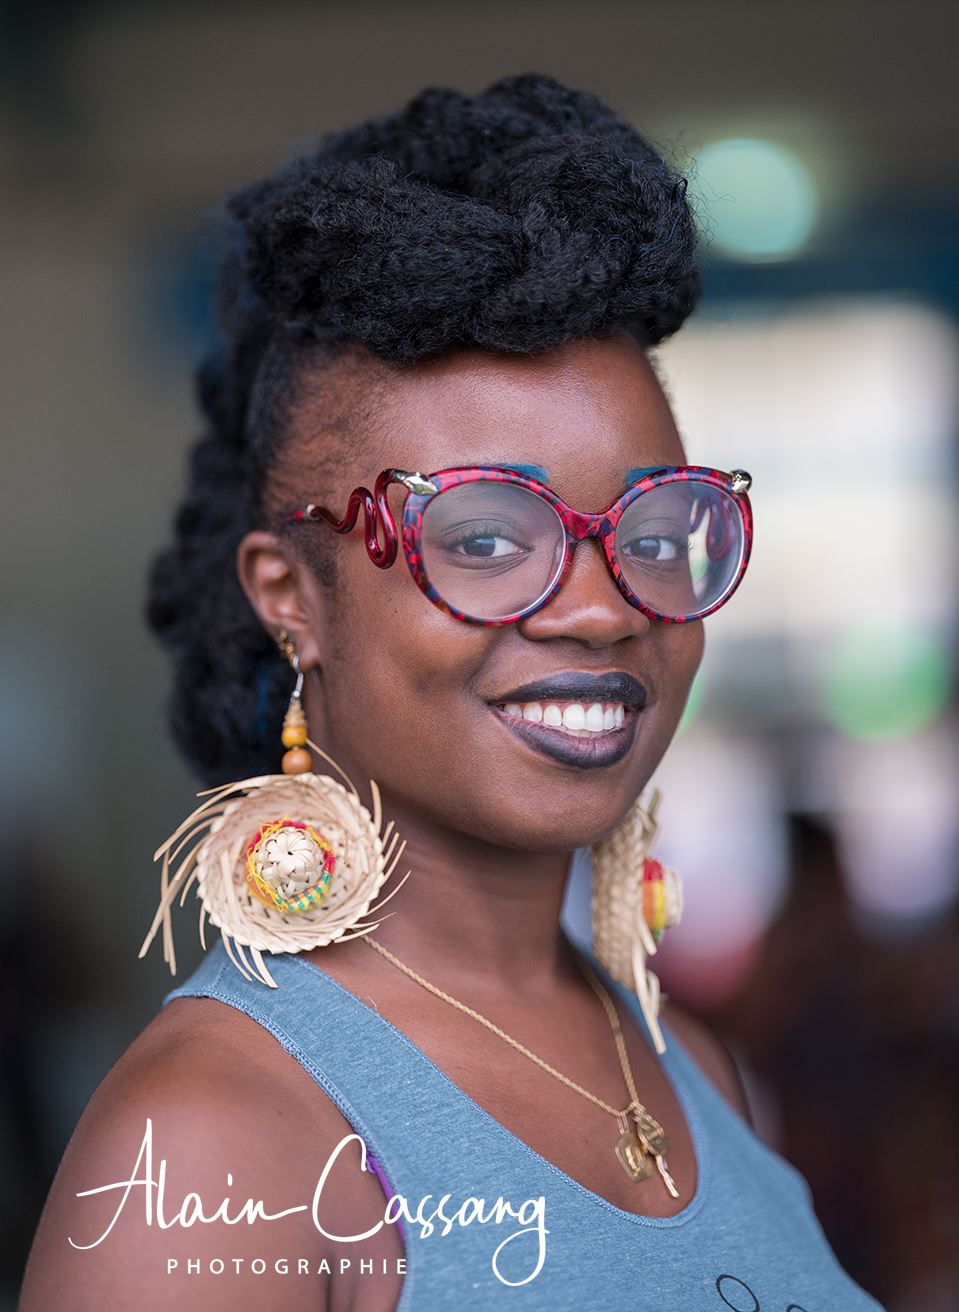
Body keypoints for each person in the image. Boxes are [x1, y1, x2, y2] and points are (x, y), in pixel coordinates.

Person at [20, 72, 886, 1310]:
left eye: (652, 533)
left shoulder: (696, 1069)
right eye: (480, 538)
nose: (601, 606)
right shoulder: (213, 1140)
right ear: (290, 595)